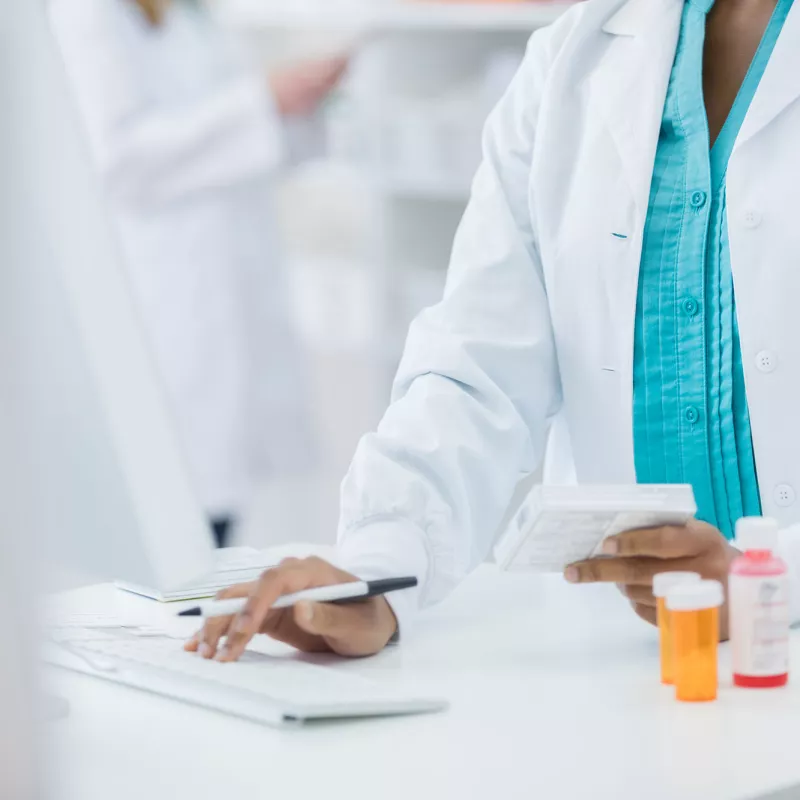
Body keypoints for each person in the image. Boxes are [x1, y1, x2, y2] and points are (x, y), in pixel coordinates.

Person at [187, 0, 800, 661]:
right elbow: (477, 372)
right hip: (629, 665)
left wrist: (773, 582)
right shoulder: (570, 63)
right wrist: (377, 571)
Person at [49, 0, 348, 547]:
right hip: (163, 299)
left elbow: (245, 142)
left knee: (215, 517)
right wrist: (262, 102)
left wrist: (293, 104)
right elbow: (116, 160)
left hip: (225, 294)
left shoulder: (192, 15)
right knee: (177, 519)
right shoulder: (90, 14)